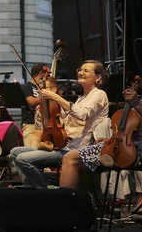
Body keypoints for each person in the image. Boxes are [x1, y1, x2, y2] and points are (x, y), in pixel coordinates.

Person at [10, 60, 108, 188]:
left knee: (23, 159)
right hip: (66, 145)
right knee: (15, 152)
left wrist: (55, 97)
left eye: (86, 70)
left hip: (79, 148)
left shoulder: (99, 94)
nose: (81, 72)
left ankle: (46, 190)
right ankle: (36, 186)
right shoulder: (81, 98)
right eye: (80, 70)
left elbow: (82, 114)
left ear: (98, 77)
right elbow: (67, 119)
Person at [19, 63, 47, 147]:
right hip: (30, 122)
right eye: (48, 73)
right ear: (41, 73)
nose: (49, 75)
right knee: (30, 149)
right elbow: (31, 101)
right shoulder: (26, 86)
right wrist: (49, 97)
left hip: (45, 123)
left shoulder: (45, 86)